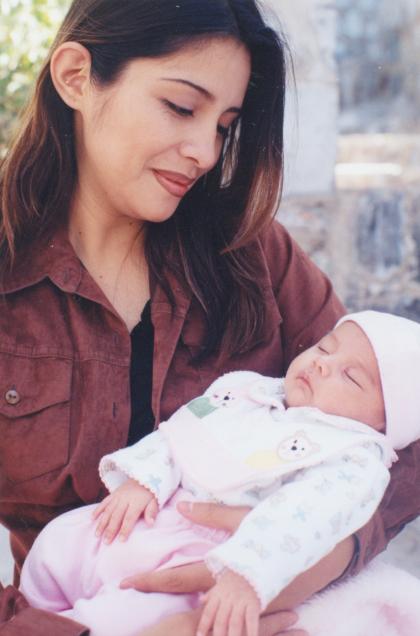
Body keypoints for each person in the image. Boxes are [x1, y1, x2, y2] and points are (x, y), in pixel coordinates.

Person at [0, 1, 419, 635]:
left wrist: (323, 554)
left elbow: (400, 429)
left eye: (225, 125)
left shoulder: (252, 254)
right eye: (180, 106)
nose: (204, 152)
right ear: (76, 76)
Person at [19, 310, 420, 636]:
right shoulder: (253, 395)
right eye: (324, 347)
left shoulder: (352, 461)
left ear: (384, 424)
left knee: (118, 621)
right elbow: (184, 430)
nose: (321, 364)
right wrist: (145, 480)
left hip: (209, 556)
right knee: (55, 543)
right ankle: (40, 616)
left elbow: (300, 524)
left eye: (351, 376)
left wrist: (245, 576)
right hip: (144, 519)